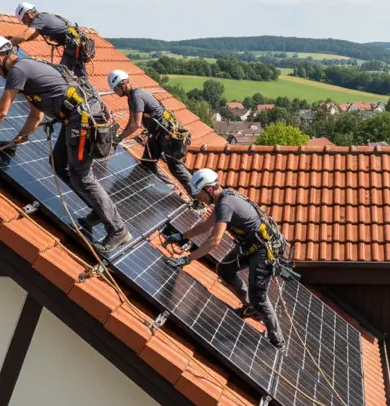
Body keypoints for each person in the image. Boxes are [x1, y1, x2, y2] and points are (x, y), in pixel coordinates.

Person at [0, 35, 131, 253]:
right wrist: (14, 143)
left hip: (83, 121)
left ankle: (118, 230)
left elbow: (1, 111)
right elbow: (35, 117)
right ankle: (97, 209)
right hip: (76, 119)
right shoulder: (27, 70)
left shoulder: (17, 72)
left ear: (0, 57)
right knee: (58, 163)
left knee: (81, 177)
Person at [165, 168, 285, 349]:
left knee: (258, 296)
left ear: (210, 189)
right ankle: (250, 306)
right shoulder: (223, 199)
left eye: (201, 194)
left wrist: (187, 259)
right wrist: (183, 236)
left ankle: (278, 341)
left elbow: (214, 240)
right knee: (225, 270)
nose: (200, 199)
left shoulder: (225, 204)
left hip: (264, 250)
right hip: (250, 246)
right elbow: (206, 225)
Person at [107, 69, 197, 204]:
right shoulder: (131, 98)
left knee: (176, 167)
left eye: (115, 89)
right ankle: (139, 191)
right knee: (147, 163)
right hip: (157, 135)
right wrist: (119, 136)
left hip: (167, 135)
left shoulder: (136, 97)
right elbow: (131, 122)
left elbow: (136, 125)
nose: (115, 92)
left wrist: (119, 138)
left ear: (123, 84)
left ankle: (198, 197)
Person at [9, 2, 93, 80]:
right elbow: (31, 36)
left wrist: (8, 43)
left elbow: (25, 36)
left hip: (74, 45)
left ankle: (84, 93)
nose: (24, 23)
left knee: (63, 73)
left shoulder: (38, 19)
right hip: (76, 44)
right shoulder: (42, 18)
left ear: (30, 14)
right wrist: (16, 40)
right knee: (69, 73)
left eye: (24, 19)